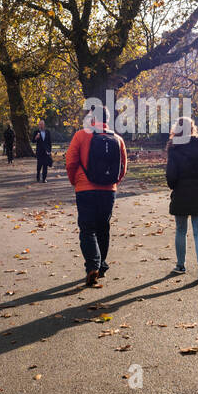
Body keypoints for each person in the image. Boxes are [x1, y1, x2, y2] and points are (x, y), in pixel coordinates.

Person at [65, 105, 127, 287]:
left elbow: (71, 161)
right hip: (109, 190)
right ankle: (101, 265)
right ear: (108, 119)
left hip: (85, 188)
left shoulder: (81, 135)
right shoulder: (117, 139)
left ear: (92, 118)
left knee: (87, 228)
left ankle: (93, 265)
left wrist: (75, 180)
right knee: (103, 227)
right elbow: (123, 167)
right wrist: (114, 183)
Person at [165, 116, 198, 281]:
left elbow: (171, 176)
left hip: (181, 192)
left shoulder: (174, 149)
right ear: (193, 128)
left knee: (181, 230)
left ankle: (181, 265)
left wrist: (176, 185)